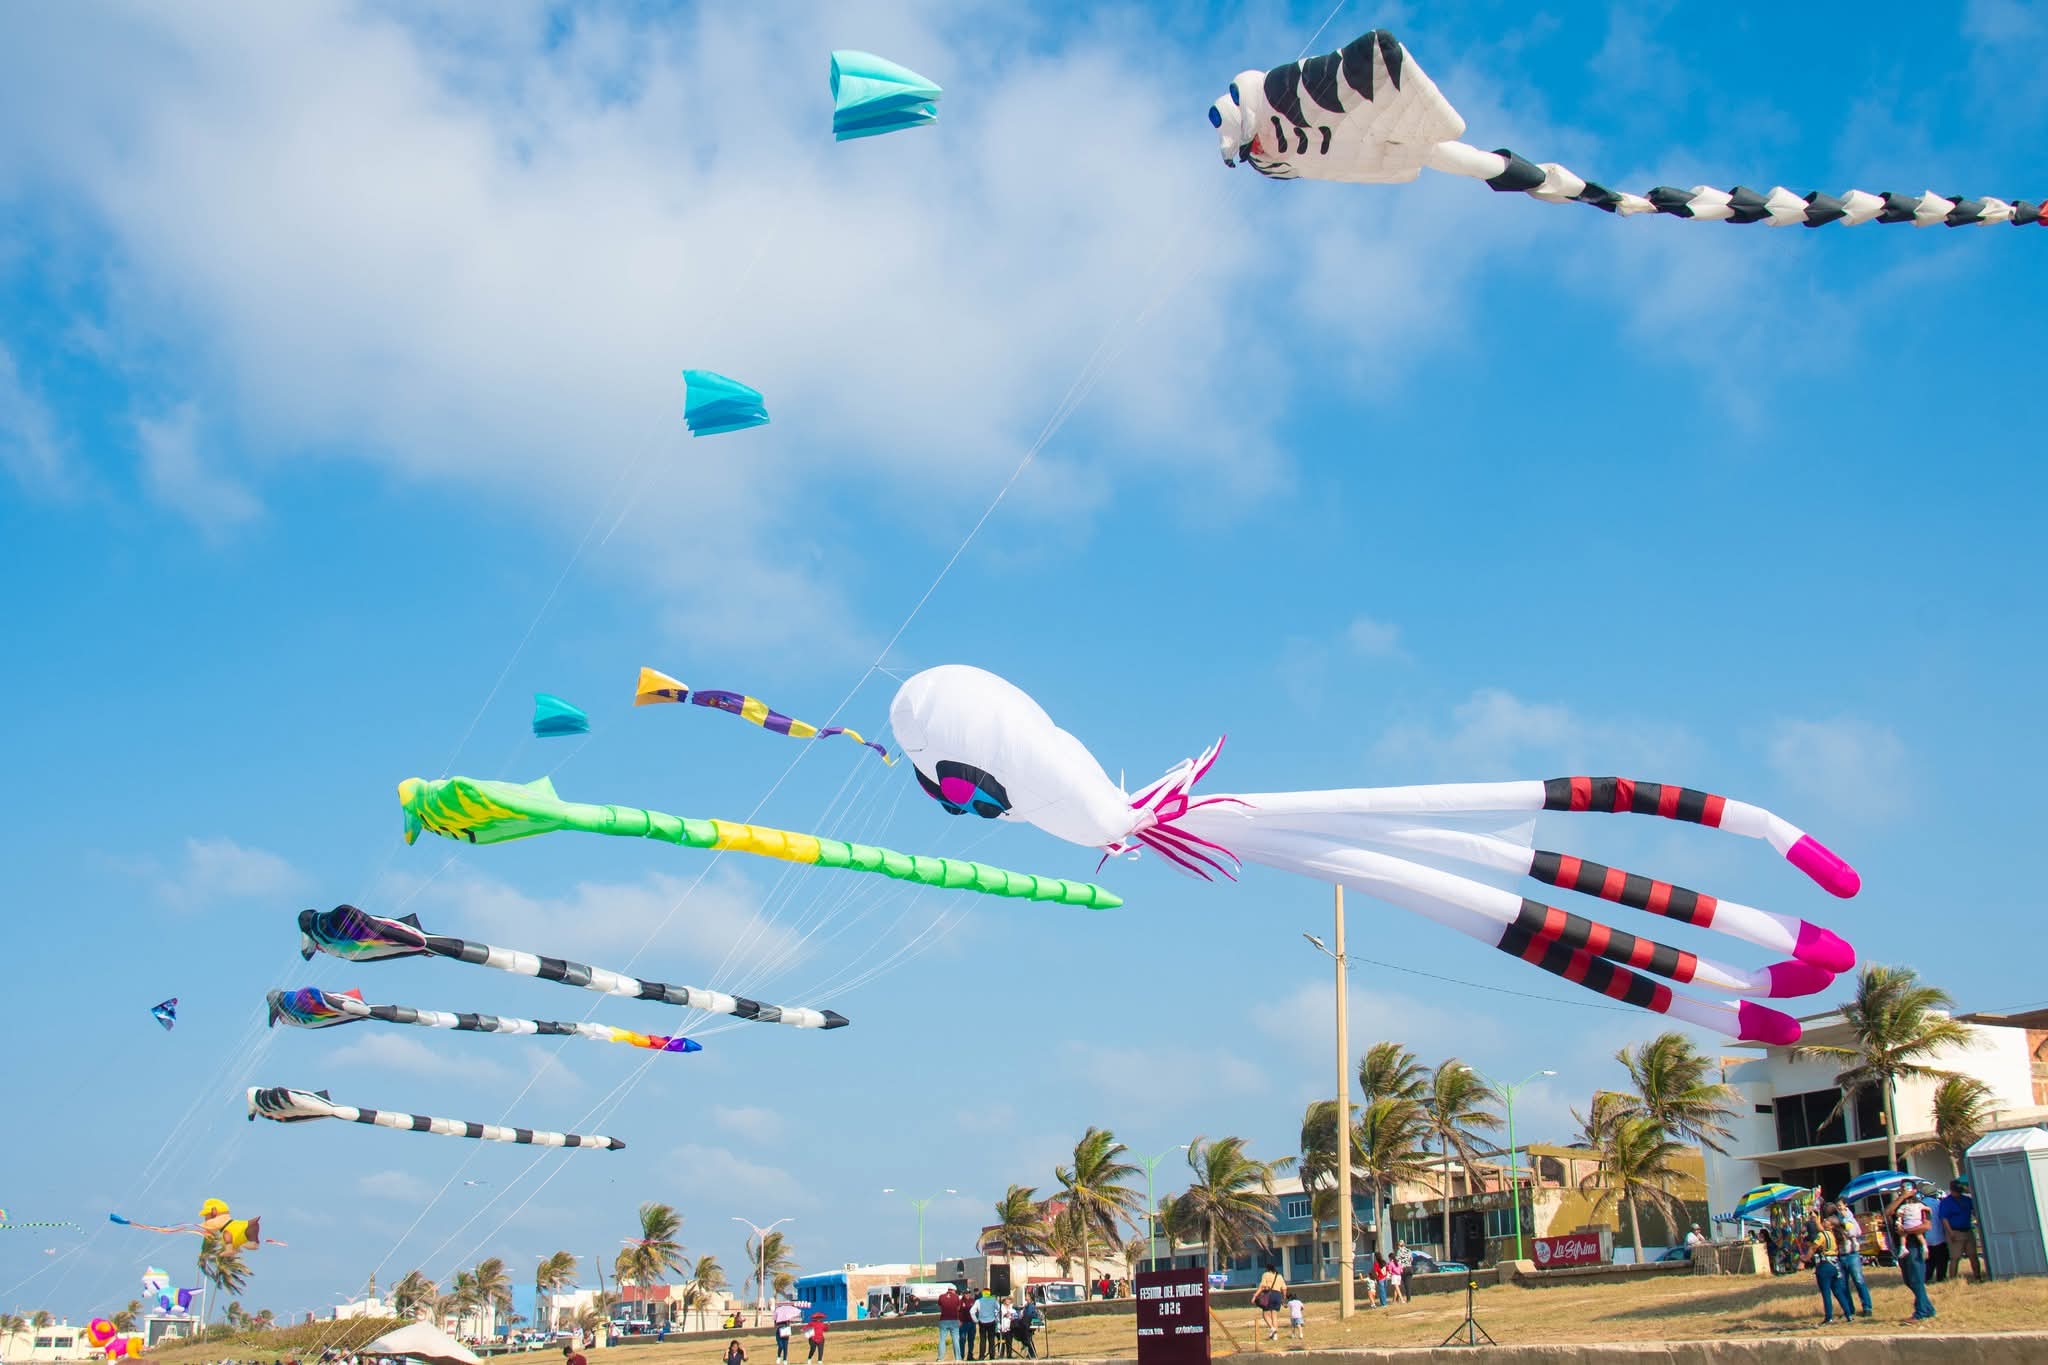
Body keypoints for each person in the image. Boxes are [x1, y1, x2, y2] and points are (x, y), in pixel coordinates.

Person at [1888, 1184, 1938, 1322]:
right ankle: (1928, 1309)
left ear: (1914, 1190)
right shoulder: (1899, 1206)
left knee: (1916, 1279)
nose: (1904, 1190)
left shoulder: (1920, 1206)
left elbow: (1926, 1226)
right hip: (1901, 1246)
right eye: (1902, 1188)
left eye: (1907, 1188)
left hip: (1915, 1246)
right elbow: (1888, 1212)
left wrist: (1906, 1231)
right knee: (1909, 1280)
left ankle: (1921, 1312)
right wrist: (1901, 1198)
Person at [1829, 1201, 1873, 1317]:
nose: (1839, 1208)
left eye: (1841, 1205)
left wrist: (1844, 1223)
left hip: (1852, 1254)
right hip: (1840, 1255)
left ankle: (1867, 1307)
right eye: (1837, 1206)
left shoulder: (1850, 1218)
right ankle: (1849, 1309)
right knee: (1843, 1284)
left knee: (1858, 1280)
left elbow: (1855, 1232)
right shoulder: (1834, 1219)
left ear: (1846, 1206)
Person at [1810, 1218, 1855, 1324]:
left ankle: (1829, 1317)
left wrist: (1804, 1258)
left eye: (1827, 1220)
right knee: (1838, 1291)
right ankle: (1848, 1314)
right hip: (1836, 1265)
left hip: (1825, 1264)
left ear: (1831, 1226)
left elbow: (1813, 1247)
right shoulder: (1836, 1235)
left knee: (1826, 1292)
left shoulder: (1822, 1235)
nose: (1824, 1220)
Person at [1940, 1177, 1982, 1283]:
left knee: (1973, 1255)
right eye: (1956, 1191)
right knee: (1955, 1257)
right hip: (1955, 1231)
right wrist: (1950, 1232)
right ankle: (1953, 1280)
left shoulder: (1966, 1199)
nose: (1958, 1193)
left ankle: (1978, 1277)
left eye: (1959, 1191)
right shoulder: (1946, 1202)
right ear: (1951, 1190)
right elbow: (1944, 1218)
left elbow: (1975, 1211)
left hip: (1967, 1230)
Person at [1923, 1184, 1952, 1282]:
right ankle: (1941, 1278)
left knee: (1929, 1261)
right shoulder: (1938, 1204)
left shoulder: (1920, 1204)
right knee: (1942, 1260)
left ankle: (1926, 1278)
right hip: (1939, 1236)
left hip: (1926, 1237)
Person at [1253, 1263, 1286, 1340]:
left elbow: (1262, 1286)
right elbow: (1284, 1288)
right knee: (1274, 1315)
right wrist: (1283, 1298)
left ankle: (1272, 1328)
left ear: (1267, 1269)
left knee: (1265, 1314)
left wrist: (1255, 1296)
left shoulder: (1265, 1275)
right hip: (1278, 1295)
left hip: (1269, 1295)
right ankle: (1275, 1336)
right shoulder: (1279, 1276)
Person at [937, 1285, 962, 1361]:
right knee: (955, 1340)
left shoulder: (941, 1296)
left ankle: (940, 1358)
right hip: (954, 1320)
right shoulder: (957, 1297)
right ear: (954, 1290)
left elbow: (940, 1307)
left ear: (948, 1289)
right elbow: (958, 1308)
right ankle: (958, 1358)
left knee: (942, 1339)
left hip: (943, 1320)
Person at [974, 1288, 1000, 1360]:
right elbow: (999, 1308)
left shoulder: (978, 1301)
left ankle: (981, 1356)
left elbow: (971, 1311)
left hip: (982, 1322)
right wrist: (996, 1317)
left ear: (983, 1293)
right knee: (991, 1339)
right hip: (991, 1321)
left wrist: (976, 1320)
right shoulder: (993, 1300)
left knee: (982, 1339)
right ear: (989, 1293)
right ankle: (992, 1356)